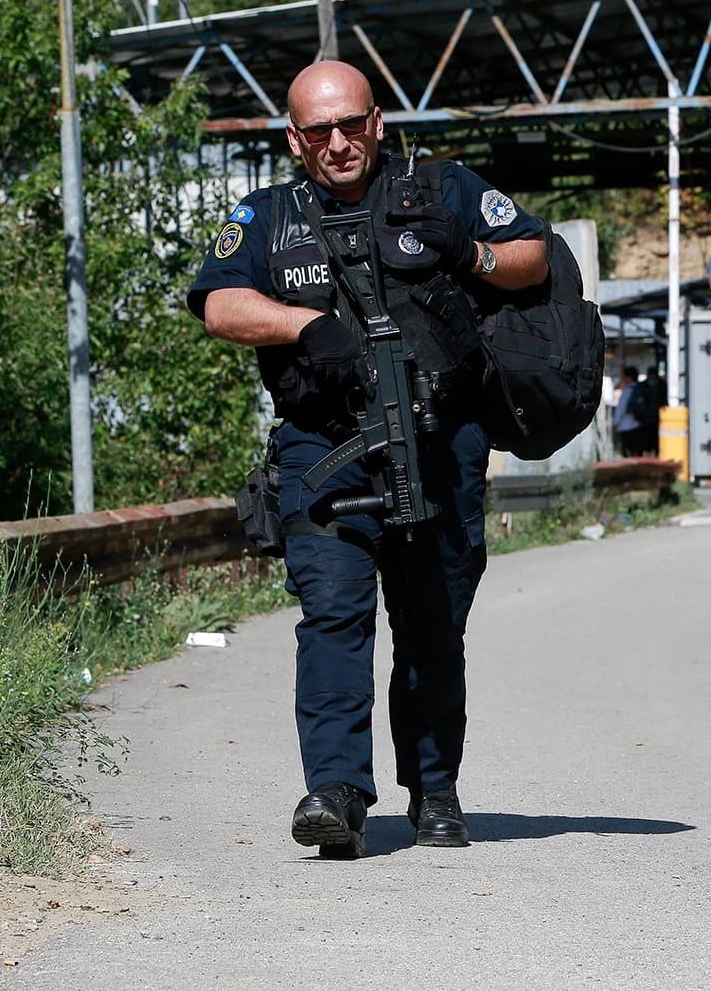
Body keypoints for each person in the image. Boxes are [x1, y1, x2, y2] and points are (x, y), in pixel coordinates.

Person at [188, 61, 548, 859]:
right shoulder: (267, 217)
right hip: (326, 444)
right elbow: (218, 303)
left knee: (431, 624)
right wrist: (302, 327)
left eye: (353, 124)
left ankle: (435, 786)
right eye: (319, 131)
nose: (340, 143)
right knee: (334, 614)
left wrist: (475, 257)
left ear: (378, 122)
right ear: (295, 139)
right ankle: (337, 793)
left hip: (440, 442)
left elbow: (535, 254)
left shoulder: (442, 190)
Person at [613, 366, 646, 457]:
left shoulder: (627, 390)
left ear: (629, 377)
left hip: (626, 427)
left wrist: (615, 423)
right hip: (639, 426)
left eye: (624, 376)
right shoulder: (641, 389)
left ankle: (631, 471)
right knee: (638, 455)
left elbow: (621, 409)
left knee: (628, 454)